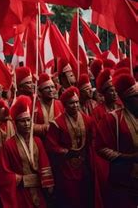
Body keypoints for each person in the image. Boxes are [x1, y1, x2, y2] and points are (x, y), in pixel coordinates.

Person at [0, 95, 54, 208]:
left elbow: (44, 163)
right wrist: (21, 179)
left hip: (38, 189)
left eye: (28, 120)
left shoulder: (37, 141)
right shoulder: (8, 145)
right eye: (23, 121)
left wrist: (48, 183)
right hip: (21, 192)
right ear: (16, 124)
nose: (27, 124)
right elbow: (3, 173)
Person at [45, 87, 96, 208]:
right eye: (71, 103)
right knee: (69, 198)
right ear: (65, 105)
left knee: (86, 196)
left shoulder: (88, 120)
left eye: (77, 102)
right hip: (65, 167)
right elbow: (51, 145)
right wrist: (66, 152)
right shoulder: (56, 123)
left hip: (84, 165)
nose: (75, 105)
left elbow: (92, 141)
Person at [96, 73, 138, 207]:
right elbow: (100, 147)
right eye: (136, 97)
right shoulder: (112, 119)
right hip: (124, 180)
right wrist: (128, 157)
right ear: (126, 99)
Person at [32, 73, 64, 139]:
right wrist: (45, 128)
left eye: (52, 87)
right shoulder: (34, 106)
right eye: (47, 88)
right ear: (40, 91)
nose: (51, 90)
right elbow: (30, 126)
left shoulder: (60, 104)